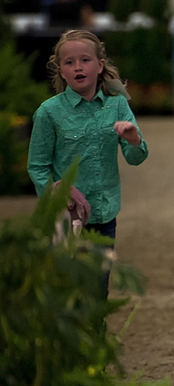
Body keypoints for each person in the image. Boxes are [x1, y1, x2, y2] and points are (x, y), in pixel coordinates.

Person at [27, 30, 148, 254]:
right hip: (65, 217)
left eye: (85, 60)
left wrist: (133, 138)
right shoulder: (48, 112)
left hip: (105, 214)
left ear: (100, 65)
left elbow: (136, 158)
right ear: (61, 71)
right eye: (69, 62)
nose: (78, 67)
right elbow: (37, 165)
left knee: (98, 286)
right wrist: (55, 196)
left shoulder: (118, 104)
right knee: (68, 284)